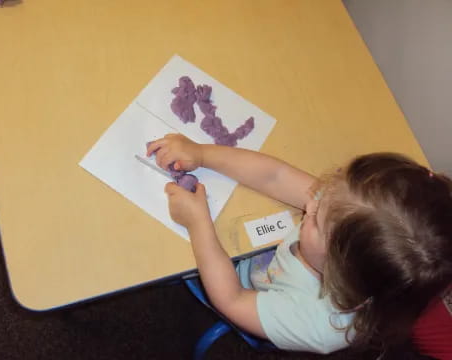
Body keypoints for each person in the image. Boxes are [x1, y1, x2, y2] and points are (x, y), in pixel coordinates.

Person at [146, 134, 452, 354]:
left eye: (316, 220)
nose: (311, 203)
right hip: (260, 254)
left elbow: (232, 299)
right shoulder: (346, 212)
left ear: (338, 271)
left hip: (243, 287)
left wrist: (198, 224)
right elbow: (275, 176)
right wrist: (202, 154)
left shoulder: (319, 324)